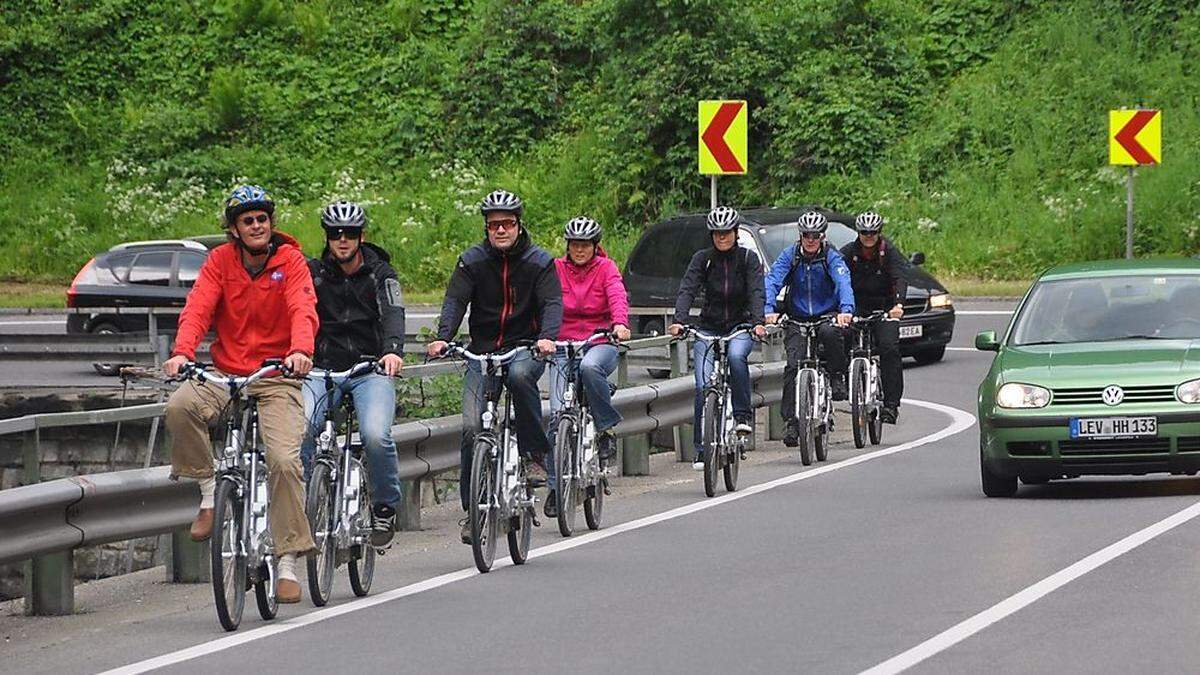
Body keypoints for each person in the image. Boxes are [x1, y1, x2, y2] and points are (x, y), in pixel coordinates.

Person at [163, 185, 317, 604]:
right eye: (247, 220)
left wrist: (301, 351)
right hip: (226, 373)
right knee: (180, 406)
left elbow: (303, 308)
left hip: (276, 374)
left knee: (284, 460)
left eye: (262, 218)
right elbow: (198, 308)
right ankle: (210, 493)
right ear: (233, 229)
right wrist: (181, 353)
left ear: (271, 224)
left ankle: (287, 560)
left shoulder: (291, 262)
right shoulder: (219, 262)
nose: (256, 225)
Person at [425, 189, 562, 544]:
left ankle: (534, 454)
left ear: (519, 225)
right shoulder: (471, 261)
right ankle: (474, 511)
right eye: (493, 225)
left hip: (525, 346)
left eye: (507, 224)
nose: (500, 230)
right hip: (482, 350)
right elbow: (455, 301)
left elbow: (551, 303)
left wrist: (547, 337)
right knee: (473, 426)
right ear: (486, 228)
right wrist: (444, 336)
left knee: (519, 376)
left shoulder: (539, 261)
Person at [301, 201, 406, 548]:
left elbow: (393, 313)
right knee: (300, 428)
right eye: (335, 234)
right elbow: (297, 313)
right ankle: (305, 499)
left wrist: (392, 350)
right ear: (327, 237)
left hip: (368, 368)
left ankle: (384, 507)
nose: (342, 240)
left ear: (361, 236)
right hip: (321, 368)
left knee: (376, 434)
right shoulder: (312, 272)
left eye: (349, 234)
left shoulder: (382, 273)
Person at [544, 216, 631, 518]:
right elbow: (542, 301)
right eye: (574, 245)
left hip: (599, 341)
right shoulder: (555, 269)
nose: (579, 250)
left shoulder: (606, 269)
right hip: (561, 345)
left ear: (596, 246)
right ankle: (556, 489)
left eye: (585, 245)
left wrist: (619, 324)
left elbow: (617, 296)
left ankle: (605, 428)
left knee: (590, 369)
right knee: (557, 417)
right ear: (568, 246)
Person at [668, 205, 767, 470]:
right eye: (716, 234)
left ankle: (743, 416)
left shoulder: (748, 259)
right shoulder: (702, 259)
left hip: (740, 325)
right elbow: (687, 288)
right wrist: (679, 320)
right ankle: (701, 448)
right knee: (702, 384)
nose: (722, 238)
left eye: (726, 233)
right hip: (708, 327)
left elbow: (757, 292)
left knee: (736, 357)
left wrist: (757, 322)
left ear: (735, 233)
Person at [763, 210, 854, 448]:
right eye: (806, 235)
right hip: (797, 316)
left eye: (815, 235)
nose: (811, 239)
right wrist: (768, 309)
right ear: (800, 236)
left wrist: (846, 310)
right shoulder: (790, 255)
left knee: (830, 333)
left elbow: (843, 282)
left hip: (827, 314)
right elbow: (773, 280)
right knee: (793, 366)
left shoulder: (831, 257)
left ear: (822, 235)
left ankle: (836, 377)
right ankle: (791, 422)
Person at [839, 211, 906, 424]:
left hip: (884, 307)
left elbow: (899, 277)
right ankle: (842, 380)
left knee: (889, 348)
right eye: (864, 232)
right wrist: (841, 309)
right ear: (858, 233)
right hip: (856, 307)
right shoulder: (848, 252)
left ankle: (891, 405)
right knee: (840, 336)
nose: (868, 236)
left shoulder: (889, 252)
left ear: (879, 232)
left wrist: (898, 304)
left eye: (873, 232)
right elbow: (838, 278)